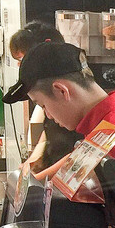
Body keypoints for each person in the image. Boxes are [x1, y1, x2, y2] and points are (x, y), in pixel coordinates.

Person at [1, 41, 115, 196]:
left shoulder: (112, 143)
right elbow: (77, 159)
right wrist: (34, 183)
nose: (48, 116)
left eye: (43, 105)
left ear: (62, 91)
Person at [8, 22, 84, 175]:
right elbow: (48, 132)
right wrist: (31, 163)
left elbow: (82, 155)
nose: (20, 65)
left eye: (23, 58)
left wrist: (39, 177)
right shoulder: (48, 94)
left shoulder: (76, 100)